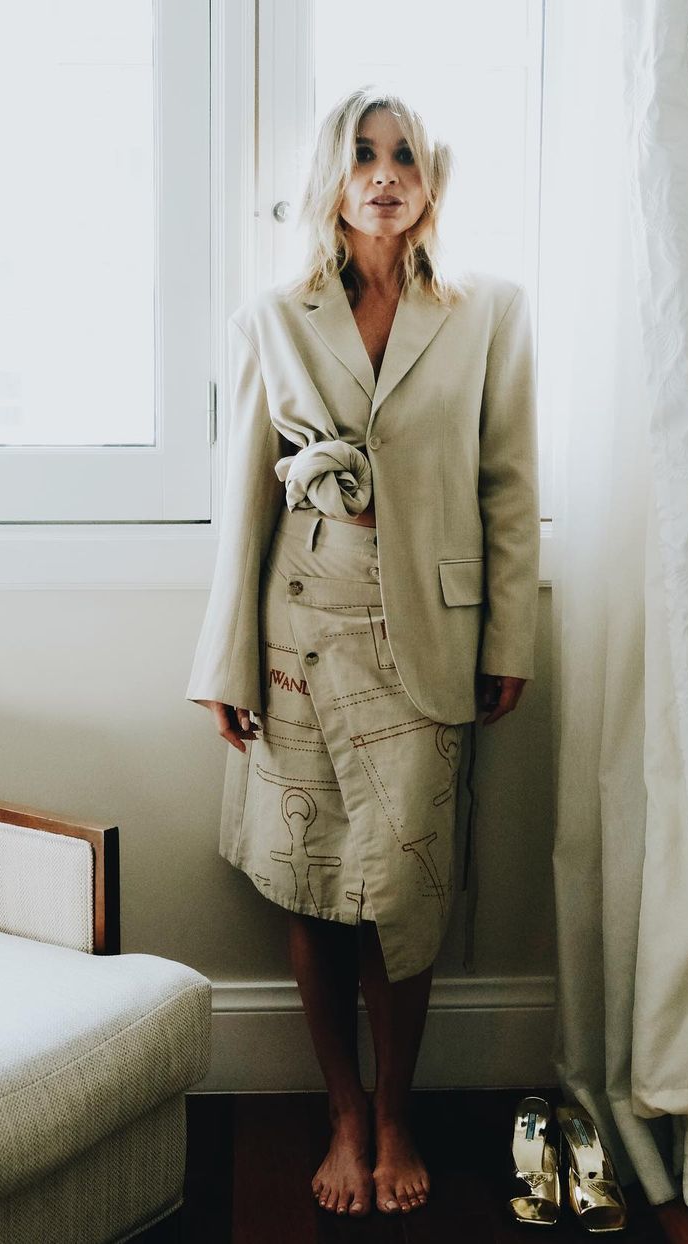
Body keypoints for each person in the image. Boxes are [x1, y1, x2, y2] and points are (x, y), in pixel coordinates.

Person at [186, 86, 539, 1219]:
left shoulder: (487, 313)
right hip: (300, 633)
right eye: (363, 154)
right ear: (332, 179)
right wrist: (224, 662)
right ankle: (343, 1110)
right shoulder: (271, 318)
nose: (384, 174)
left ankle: (397, 1112)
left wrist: (510, 634)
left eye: (404, 156)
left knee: (405, 889)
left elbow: (508, 487)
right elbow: (242, 502)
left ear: (430, 178)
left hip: (428, 639)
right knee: (312, 881)